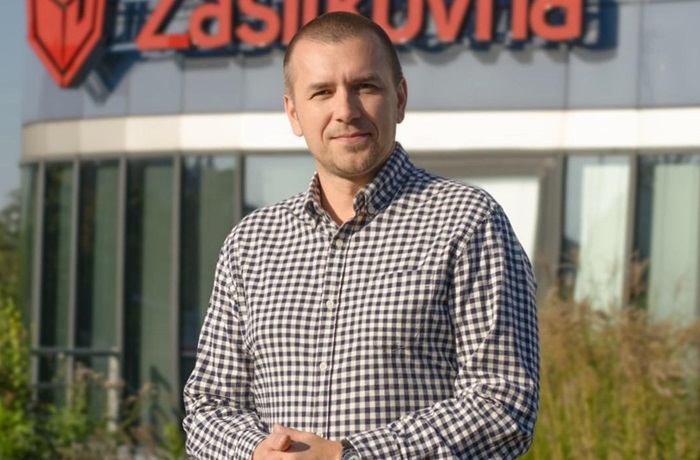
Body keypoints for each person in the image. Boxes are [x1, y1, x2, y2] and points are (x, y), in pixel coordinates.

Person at [183, 11, 539, 460]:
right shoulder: (250, 244)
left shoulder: (467, 222)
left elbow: (504, 403)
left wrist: (348, 455)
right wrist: (256, 452)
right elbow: (208, 406)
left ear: (400, 98)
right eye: (322, 92)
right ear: (293, 112)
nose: (346, 111)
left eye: (365, 87)